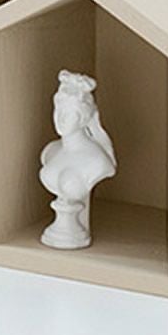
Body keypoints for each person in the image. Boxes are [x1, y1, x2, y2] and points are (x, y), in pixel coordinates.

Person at [38, 70, 117, 249]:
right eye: (59, 110)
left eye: (70, 113)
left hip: (75, 234)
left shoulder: (97, 162)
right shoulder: (51, 150)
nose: (61, 118)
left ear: (84, 118)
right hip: (55, 232)